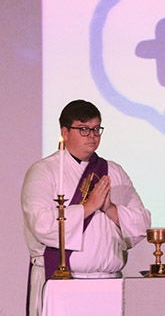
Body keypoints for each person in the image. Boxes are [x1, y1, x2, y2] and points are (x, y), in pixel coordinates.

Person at [21, 100, 151, 316]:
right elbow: (41, 224)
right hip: (61, 283)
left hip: (110, 283)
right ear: (65, 131)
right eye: (83, 129)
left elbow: (141, 224)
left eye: (96, 129)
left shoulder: (114, 171)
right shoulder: (43, 172)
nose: (92, 135)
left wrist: (110, 208)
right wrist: (88, 207)